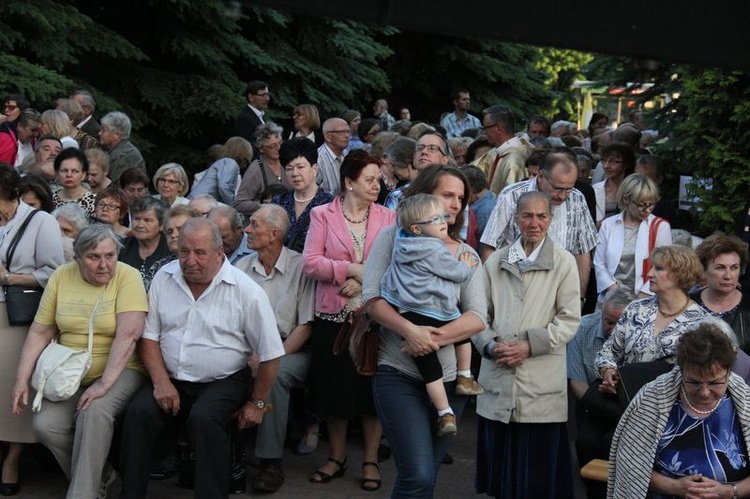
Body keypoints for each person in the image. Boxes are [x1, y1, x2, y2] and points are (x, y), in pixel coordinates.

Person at [118, 218, 284, 499]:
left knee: (204, 419)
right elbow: (149, 337)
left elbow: (271, 353)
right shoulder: (164, 277)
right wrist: (160, 382)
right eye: (184, 251)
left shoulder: (247, 292)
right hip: (171, 377)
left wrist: (258, 402)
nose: (189, 260)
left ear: (220, 253)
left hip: (224, 379)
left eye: (200, 252)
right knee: (138, 414)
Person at [363, 164, 486, 497]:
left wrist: (433, 338)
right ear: (424, 196)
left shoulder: (465, 254)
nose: (456, 204)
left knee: (426, 475)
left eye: (461, 198)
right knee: (416, 473)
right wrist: (409, 330)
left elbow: (477, 316)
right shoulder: (392, 237)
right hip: (396, 371)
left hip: (450, 381)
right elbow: (371, 298)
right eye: (447, 195)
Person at [11, 224, 148, 499]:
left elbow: (129, 335)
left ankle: (82, 494)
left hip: (121, 367)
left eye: (109, 256)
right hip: (70, 368)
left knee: (93, 412)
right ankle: (102, 474)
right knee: (46, 425)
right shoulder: (62, 276)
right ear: (77, 256)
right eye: (94, 257)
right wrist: (21, 380)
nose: (103, 265)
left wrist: (104, 384)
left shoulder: (128, 276)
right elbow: (41, 330)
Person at [473, 191, 580, 498]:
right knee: (501, 479)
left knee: (536, 479)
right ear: (516, 219)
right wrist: (491, 346)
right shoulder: (497, 261)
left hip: (540, 384)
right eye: (527, 216)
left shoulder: (564, 263)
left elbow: (570, 319)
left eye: (542, 216)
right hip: (498, 378)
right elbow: (479, 316)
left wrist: (530, 346)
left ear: (551, 219)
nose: (535, 223)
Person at [302, 149, 395, 491]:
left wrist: (364, 277)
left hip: (374, 316)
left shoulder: (388, 216)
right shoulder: (322, 215)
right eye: (369, 180)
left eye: (379, 180)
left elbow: (396, 264)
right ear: (349, 182)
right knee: (335, 391)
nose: (377, 185)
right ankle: (337, 457)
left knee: (371, 392)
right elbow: (311, 263)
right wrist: (349, 269)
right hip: (334, 314)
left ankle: (370, 459)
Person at [608, 321, 750, 499]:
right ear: (681, 370)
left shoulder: (745, 401)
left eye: (715, 383)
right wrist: (675, 487)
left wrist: (729, 492)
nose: (704, 392)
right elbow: (630, 464)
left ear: (728, 373)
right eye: (694, 382)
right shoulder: (652, 398)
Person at [380, 193, 483, 436]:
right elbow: (456, 273)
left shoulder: (401, 243)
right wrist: (466, 265)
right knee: (463, 333)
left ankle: (444, 413)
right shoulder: (433, 248)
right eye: (435, 218)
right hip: (436, 310)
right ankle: (464, 375)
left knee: (429, 370)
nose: (443, 221)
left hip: (410, 314)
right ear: (417, 228)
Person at [235, 205, 315, 493]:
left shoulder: (300, 267)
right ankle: (224, 453)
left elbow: (305, 326)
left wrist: (269, 359)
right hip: (247, 349)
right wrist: (248, 356)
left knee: (276, 375)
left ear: (274, 234)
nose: (246, 230)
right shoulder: (241, 268)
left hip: (290, 349)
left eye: (253, 225)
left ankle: (271, 462)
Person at [0, 168, 64, 497]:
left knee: (13, 384)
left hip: (17, 314)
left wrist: (8, 278)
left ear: (9, 195)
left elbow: (53, 273)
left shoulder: (40, 222)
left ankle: (12, 459)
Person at [480, 148, 599, 299]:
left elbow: (582, 251)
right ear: (541, 176)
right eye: (557, 188)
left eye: (568, 189)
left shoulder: (577, 199)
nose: (563, 196)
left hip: (560, 290)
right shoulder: (511, 196)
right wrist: (490, 294)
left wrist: (579, 297)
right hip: (514, 289)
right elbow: (490, 246)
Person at [596, 245, 709, 394]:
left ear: (680, 274)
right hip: (625, 401)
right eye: (652, 267)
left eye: (659, 269)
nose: (649, 274)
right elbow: (607, 353)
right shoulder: (636, 309)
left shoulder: (701, 323)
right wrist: (608, 373)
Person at [594, 173, 672, 304]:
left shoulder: (660, 227)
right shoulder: (608, 224)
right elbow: (599, 263)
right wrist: (614, 291)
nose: (647, 210)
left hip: (645, 300)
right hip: (610, 300)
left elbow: (664, 266)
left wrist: (642, 296)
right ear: (626, 200)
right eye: (642, 205)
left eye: (651, 204)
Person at [271, 137, 334, 253]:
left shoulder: (330, 205)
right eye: (289, 169)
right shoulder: (279, 202)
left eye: (300, 167)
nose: (295, 173)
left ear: (314, 169)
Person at [691, 232, 750, 352]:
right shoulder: (687, 304)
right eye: (720, 267)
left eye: (734, 268)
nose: (728, 276)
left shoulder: (748, 307)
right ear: (703, 270)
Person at [474, 104, 533, 194]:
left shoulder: (515, 160)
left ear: (498, 128)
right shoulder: (496, 152)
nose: (484, 131)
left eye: (486, 127)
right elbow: (471, 171)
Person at [234, 123, 291, 216]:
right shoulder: (255, 170)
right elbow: (239, 203)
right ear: (261, 148)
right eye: (272, 146)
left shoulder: (289, 162)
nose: (278, 148)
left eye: (280, 143)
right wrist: (263, 205)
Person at [118, 197, 170, 282]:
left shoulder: (171, 250)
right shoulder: (121, 247)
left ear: (161, 225)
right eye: (136, 219)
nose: (140, 225)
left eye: (147, 220)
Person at [189, 136, 252, 205]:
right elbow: (224, 187)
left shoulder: (224, 163)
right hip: (198, 203)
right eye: (246, 160)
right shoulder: (230, 163)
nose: (245, 165)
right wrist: (233, 206)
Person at [592, 142, 636, 224]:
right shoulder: (595, 189)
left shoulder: (634, 189)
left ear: (626, 164)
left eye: (613, 161)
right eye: (604, 160)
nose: (606, 166)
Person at [99, 112, 146, 184]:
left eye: (104, 130)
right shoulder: (119, 150)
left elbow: (116, 188)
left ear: (117, 135)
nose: (99, 133)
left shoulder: (123, 156)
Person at [51, 148, 96, 217]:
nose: (69, 175)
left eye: (75, 171)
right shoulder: (50, 200)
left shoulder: (94, 201)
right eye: (64, 170)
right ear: (57, 173)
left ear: (83, 174)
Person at [316, 118, 350, 196]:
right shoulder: (318, 160)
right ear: (328, 137)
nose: (347, 136)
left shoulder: (348, 155)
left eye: (348, 131)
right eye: (341, 132)